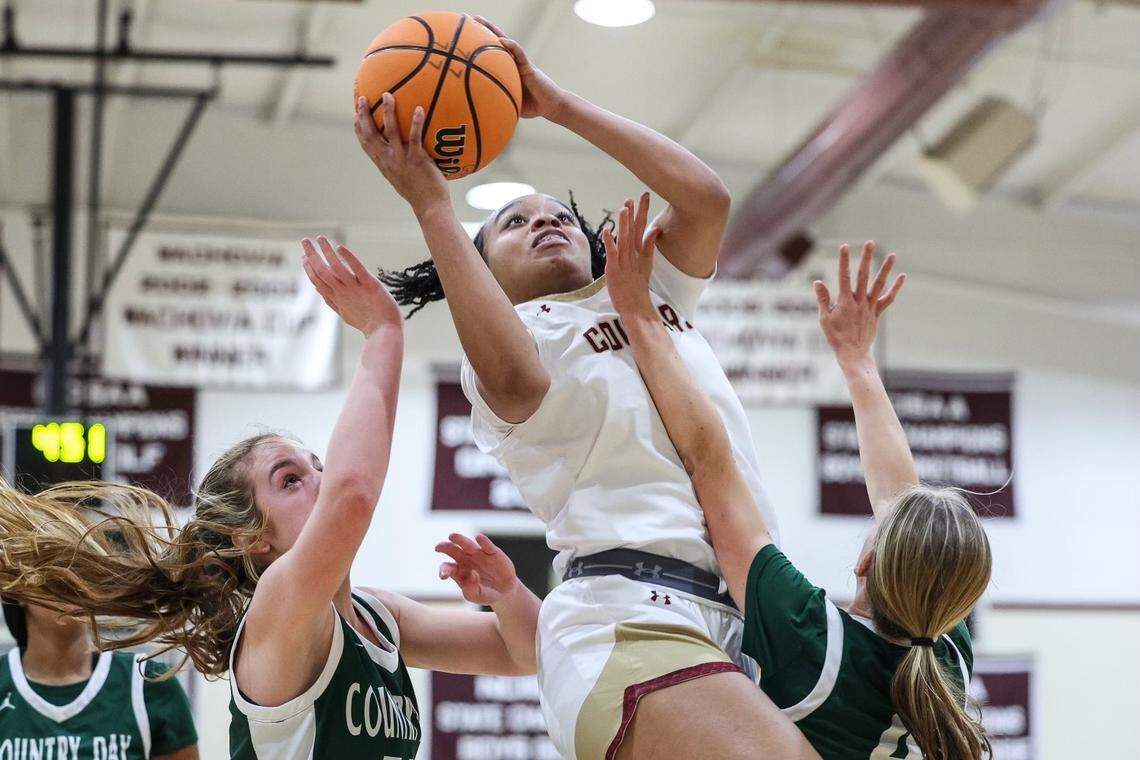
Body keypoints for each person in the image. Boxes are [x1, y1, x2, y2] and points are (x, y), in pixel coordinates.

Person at [355, 16, 812, 760]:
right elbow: (509, 372)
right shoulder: (510, 345)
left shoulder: (643, 291)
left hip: (744, 617)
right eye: (512, 223)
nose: (544, 220)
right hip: (625, 616)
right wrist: (433, 206)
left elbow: (707, 202)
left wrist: (561, 105)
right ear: (485, 275)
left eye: (558, 214)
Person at [0, 238, 541, 760]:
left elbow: (528, 653)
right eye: (290, 479)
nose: (323, 480)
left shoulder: (382, 616)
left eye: (319, 466)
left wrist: (510, 592)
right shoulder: (279, 609)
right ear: (252, 537)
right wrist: (382, 333)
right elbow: (352, 495)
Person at [604, 216, 992, 760]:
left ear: (868, 561)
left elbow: (710, 466)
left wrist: (638, 314)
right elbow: (898, 505)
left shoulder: (816, 641)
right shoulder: (944, 657)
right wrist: (857, 365)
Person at [0, 599, 197, 759]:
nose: (71, 580)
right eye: (54, 565)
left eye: (80, 566)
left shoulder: (149, 682)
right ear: (17, 590)